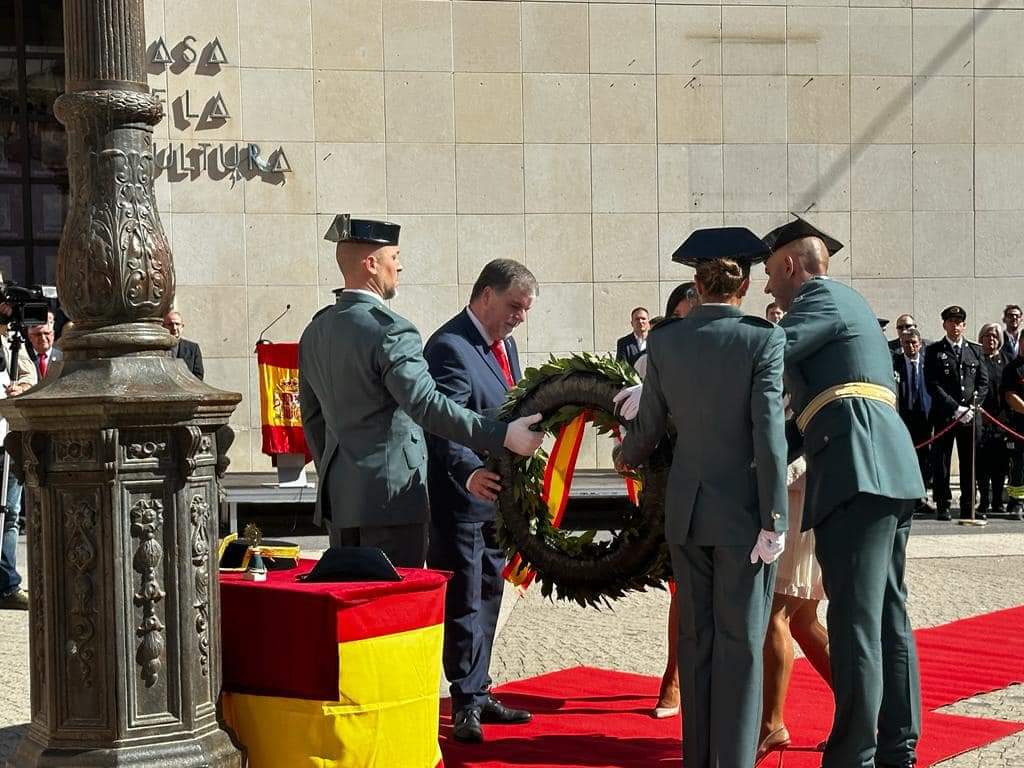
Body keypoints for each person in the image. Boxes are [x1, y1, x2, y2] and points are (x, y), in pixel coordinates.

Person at [619, 226, 788, 768]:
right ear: (745, 284)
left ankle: (699, 759)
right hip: (745, 514)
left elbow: (648, 429)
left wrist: (625, 457)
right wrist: (776, 516)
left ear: (697, 283)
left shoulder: (666, 339)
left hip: (688, 511)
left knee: (695, 641)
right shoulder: (763, 339)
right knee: (740, 644)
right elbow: (769, 434)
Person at [762, 214, 924, 768]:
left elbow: (767, 353)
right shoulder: (842, 307)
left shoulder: (821, 299)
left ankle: (856, 753)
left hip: (857, 466)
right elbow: (795, 417)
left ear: (788, 264)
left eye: (767, 273)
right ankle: (897, 746)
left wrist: (681, 364)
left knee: (857, 620)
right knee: (885, 616)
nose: (765, 288)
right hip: (881, 467)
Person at [298, 215, 543, 568]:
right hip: (394, 501)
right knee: (395, 616)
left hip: (342, 500)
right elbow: (427, 406)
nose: (400, 266)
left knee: (354, 615)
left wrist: (337, 476)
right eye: (394, 257)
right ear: (371, 264)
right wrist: (503, 434)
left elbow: (313, 418)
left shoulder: (316, 332)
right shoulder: (391, 331)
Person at [424, 259, 537, 743]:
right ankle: (465, 701)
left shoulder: (503, 344)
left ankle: (480, 689)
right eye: (514, 306)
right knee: (465, 599)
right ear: (485, 295)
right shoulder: (450, 347)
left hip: (496, 498)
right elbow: (443, 421)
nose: (519, 317)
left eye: (526, 310)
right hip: (463, 498)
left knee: (491, 592)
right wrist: (468, 472)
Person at [626, 280, 700, 717]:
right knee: (682, 587)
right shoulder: (650, 360)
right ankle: (673, 676)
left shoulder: (728, 349)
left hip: (723, 482)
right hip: (672, 481)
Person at [758, 422, 831, 761]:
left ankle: (771, 723)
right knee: (802, 619)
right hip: (808, 479)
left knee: (776, 612)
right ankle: (860, 712)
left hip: (792, 482)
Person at [923, 306, 988, 521]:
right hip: (945, 416)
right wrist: (955, 408)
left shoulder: (975, 350)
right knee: (942, 461)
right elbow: (932, 384)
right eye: (951, 321)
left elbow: (983, 383)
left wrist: (971, 407)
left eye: (959, 322)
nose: (955, 326)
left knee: (970, 462)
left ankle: (969, 505)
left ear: (964, 325)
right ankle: (943, 503)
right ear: (944, 324)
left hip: (970, 416)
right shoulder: (934, 351)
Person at [0, 304, 38, 611]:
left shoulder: (9, 337)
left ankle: (7, 584)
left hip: (6, 438)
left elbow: (31, 375)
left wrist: (21, 387)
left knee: (10, 514)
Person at [893, 328, 934, 515]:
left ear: (920, 344)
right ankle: (906, 497)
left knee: (924, 458)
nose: (911, 346)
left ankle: (921, 496)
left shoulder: (928, 363)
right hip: (904, 417)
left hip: (925, 417)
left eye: (914, 343)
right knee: (905, 458)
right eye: (907, 343)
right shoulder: (896, 363)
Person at [977, 323, 1010, 519]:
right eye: (987, 336)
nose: (991, 340)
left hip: (1002, 421)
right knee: (982, 464)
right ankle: (983, 501)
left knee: (1000, 464)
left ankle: (997, 500)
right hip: (981, 418)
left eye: (994, 337)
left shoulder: (1006, 361)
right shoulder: (977, 359)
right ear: (981, 339)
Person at [1001, 344, 1024, 521]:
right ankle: (1016, 502)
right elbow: (1010, 396)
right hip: (1019, 425)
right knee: (1018, 466)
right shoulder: (1013, 368)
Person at [163, 309, 204, 380]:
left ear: (182, 327)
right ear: (164, 327)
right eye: (170, 324)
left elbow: (198, 375)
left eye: (177, 324)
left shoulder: (193, 348)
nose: (174, 328)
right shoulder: (156, 348)